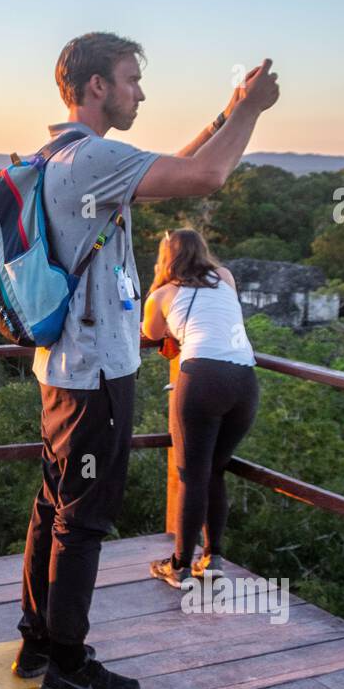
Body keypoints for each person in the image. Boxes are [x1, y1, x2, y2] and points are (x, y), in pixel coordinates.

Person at [18, 32, 279, 689]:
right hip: (98, 376)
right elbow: (207, 177)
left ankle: (38, 638)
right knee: (83, 519)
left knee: (55, 504)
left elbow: (178, 163)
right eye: (132, 79)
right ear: (97, 86)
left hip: (62, 369)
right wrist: (252, 111)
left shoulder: (61, 155)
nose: (141, 92)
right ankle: (69, 666)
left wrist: (226, 113)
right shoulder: (96, 155)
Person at [143, 230, 259, 587]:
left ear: (167, 259)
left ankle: (178, 565)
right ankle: (212, 558)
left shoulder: (162, 295)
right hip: (244, 380)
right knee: (214, 471)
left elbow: (151, 332)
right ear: (202, 253)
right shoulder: (224, 278)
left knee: (192, 474)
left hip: (202, 378)